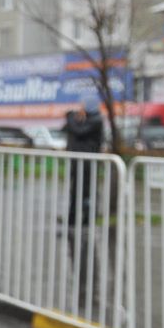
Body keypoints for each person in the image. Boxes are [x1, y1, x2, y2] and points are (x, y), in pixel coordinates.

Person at [62, 95, 108, 230]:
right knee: (76, 191)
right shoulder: (85, 119)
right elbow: (68, 129)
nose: (80, 108)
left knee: (88, 192)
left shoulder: (96, 120)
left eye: (83, 105)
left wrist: (70, 116)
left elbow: (78, 130)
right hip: (79, 163)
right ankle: (72, 221)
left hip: (88, 164)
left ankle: (87, 220)